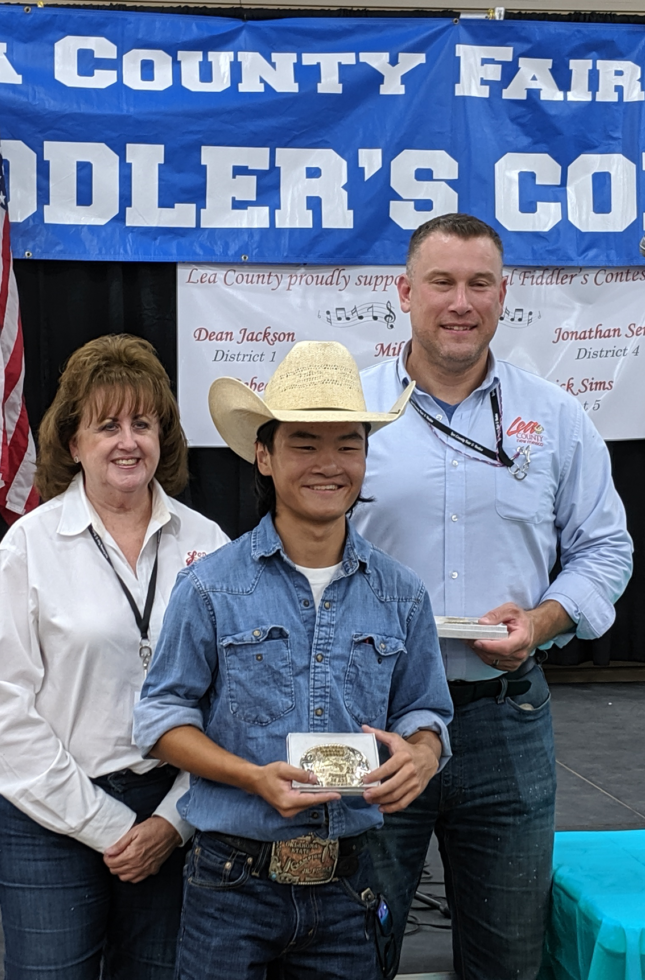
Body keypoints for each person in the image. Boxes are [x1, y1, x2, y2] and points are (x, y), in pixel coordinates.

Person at [353, 213, 634, 980]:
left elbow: (606, 548)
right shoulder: (349, 415)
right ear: (404, 293)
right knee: (345, 950)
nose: (460, 302)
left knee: (509, 960)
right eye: (441, 282)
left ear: (504, 296)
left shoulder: (554, 418)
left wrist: (543, 620)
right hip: (370, 719)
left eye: (480, 283)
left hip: (506, 718)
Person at [132, 341, 454, 980]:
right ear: (264, 455)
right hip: (231, 885)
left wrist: (421, 754)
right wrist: (252, 778)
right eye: (304, 443)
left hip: (350, 885)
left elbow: (426, 711)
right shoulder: (210, 588)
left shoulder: (402, 594)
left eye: (349, 444)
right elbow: (160, 721)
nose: (329, 464)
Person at [0, 334, 229, 980]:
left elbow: (236, 701)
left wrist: (172, 822)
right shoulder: (30, 548)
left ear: (164, 437)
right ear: (73, 442)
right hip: (49, 819)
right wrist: (108, 824)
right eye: (106, 425)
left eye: (143, 423)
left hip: (177, 813)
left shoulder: (212, 547)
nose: (127, 441)